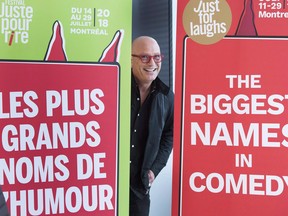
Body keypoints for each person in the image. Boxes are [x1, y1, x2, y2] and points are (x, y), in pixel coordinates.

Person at [130, 36, 174, 216]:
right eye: (145, 57)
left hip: (139, 186)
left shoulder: (166, 96)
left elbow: (169, 135)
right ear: (130, 59)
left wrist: (154, 169)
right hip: (109, 180)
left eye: (157, 57)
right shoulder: (115, 86)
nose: (152, 63)